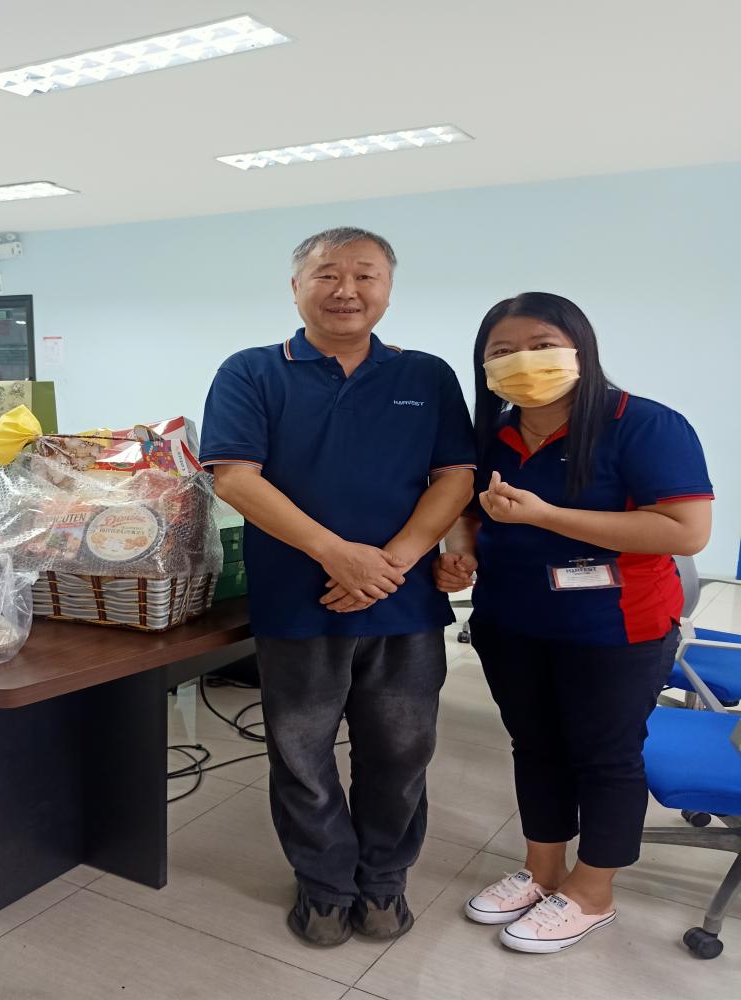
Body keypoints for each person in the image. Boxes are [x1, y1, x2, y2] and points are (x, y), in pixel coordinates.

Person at [199, 227, 476, 946]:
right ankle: (324, 887)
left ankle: (383, 882)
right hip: (299, 603)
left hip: (404, 605)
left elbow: (455, 477)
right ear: (296, 287)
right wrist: (336, 555)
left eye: (365, 275)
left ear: (388, 288)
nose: (346, 289)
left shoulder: (426, 375)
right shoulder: (251, 371)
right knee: (302, 755)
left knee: (401, 753)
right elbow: (235, 477)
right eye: (327, 274)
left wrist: (392, 563)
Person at [434, 292, 714, 954]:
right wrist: (460, 551)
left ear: (580, 349)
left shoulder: (644, 424)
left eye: (541, 345)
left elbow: (686, 530)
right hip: (511, 619)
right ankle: (542, 871)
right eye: (502, 351)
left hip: (615, 628)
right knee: (534, 745)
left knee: (604, 754)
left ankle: (593, 891)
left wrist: (547, 516)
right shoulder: (492, 432)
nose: (523, 361)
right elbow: (467, 510)